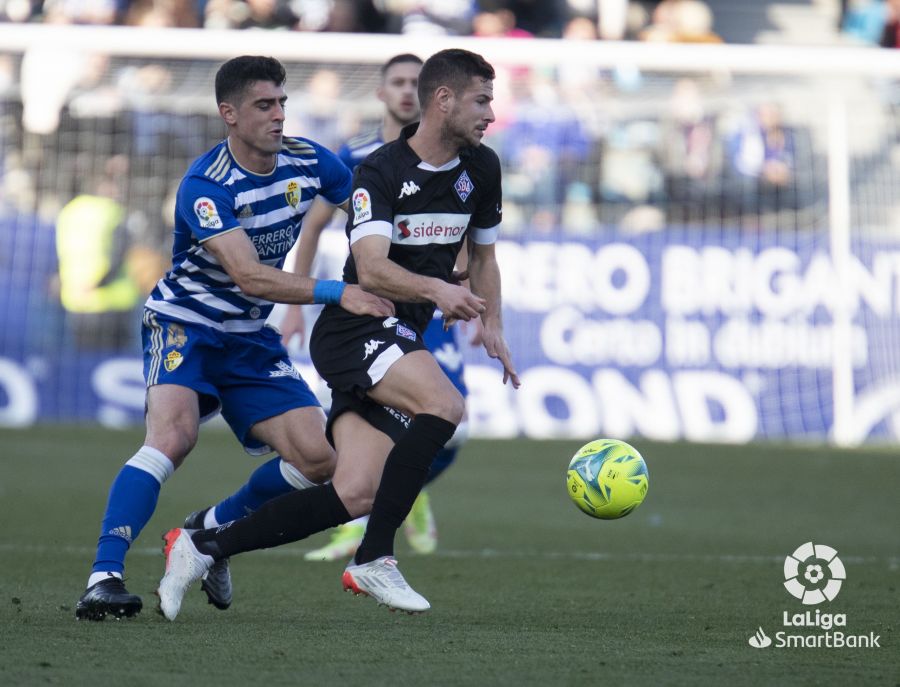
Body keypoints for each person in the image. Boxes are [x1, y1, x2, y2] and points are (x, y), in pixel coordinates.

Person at [156, 47, 519, 619]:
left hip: (403, 331)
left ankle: (203, 546)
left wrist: (492, 320)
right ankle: (374, 558)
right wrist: (438, 290)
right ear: (443, 100)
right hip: (357, 328)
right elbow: (371, 268)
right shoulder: (378, 171)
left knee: (353, 493)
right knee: (445, 406)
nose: (490, 114)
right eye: (482, 100)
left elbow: (485, 256)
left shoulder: (484, 167)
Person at [74, 55, 393, 621]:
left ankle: (205, 530)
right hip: (187, 324)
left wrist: (415, 256)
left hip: (248, 336)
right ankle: (104, 576)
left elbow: (369, 207)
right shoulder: (206, 184)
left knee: (320, 461)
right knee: (174, 437)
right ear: (230, 114)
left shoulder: (310, 160)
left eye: (281, 103)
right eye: (263, 105)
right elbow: (249, 275)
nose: (277, 116)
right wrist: (337, 292)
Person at [280, 53, 478, 562]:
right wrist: (300, 300)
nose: (408, 90)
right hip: (372, 308)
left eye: (417, 81)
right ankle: (364, 518)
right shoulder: (358, 154)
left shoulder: (457, 153)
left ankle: (408, 493)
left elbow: (466, 232)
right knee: (379, 418)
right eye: (399, 82)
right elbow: (315, 224)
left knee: (453, 422)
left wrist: (474, 296)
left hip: (428, 309)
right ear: (382, 93)